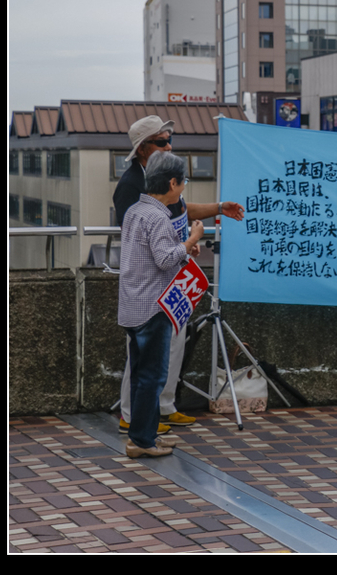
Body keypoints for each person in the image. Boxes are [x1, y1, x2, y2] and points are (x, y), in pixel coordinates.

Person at [114, 116, 245, 433]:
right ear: (143, 148)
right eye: (161, 141)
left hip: (174, 274)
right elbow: (142, 237)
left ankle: (164, 405)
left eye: (169, 138)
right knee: (146, 351)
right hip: (150, 281)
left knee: (173, 342)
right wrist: (186, 243)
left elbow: (183, 210)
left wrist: (217, 208)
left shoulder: (160, 178)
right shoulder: (131, 186)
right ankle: (133, 416)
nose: (168, 145)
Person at [119, 152, 205, 458]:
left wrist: (182, 248)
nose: (183, 188)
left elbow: (153, 255)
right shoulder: (158, 217)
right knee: (153, 376)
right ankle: (141, 442)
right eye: (182, 182)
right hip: (153, 308)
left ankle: (143, 434)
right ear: (171, 182)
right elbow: (166, 258)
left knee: (141, 374)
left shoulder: (136, 211)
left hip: (132, 304)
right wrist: (192, 238)